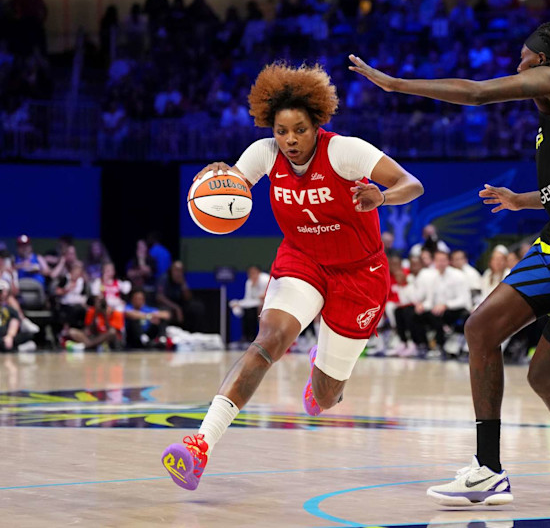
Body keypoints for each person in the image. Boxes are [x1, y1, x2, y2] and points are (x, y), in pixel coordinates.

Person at [351, 21, 550, 506]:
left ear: (546, 62)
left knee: (543, 376)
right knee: (481, 328)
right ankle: (487, 469)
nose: (518, 66)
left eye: (524, 58)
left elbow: (475, 93)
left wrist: (396, 84)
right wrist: (521, 199)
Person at [161, 62, 424, 491]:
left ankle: (321, 369)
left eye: (299, 130)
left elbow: (412, 184)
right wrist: (215, 181)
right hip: (303, 259)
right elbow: (231, 187)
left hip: (360, 273)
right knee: (269, 339)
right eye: (282, 131)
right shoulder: (263, 153)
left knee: (325, 397)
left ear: (316, 124)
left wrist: (382, 195)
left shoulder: (345, 151)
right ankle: (199, 445)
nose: (290, 141)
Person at [229, 265, 270, 342]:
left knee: (254, 312)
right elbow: (248, 298)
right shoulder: (249, 282)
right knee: (246, 311)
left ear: (259, 272)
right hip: (255, 304)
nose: (252, 275)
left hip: (266, 303)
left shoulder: (265, 279)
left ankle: (255, 336)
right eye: (250, 273)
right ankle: (247, 336)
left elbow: (269, 294)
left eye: (254, 273)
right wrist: (239, 304)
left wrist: (264, 297)